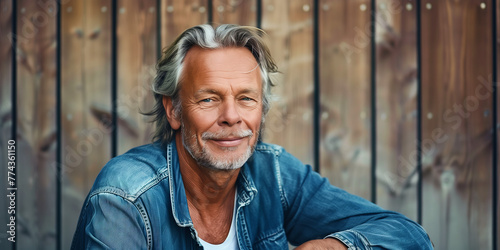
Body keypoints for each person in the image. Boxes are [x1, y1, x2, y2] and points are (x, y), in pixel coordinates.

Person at [71, 24, 433, 250]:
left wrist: (338, 246)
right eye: (209, 99)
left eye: (246, 98)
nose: (232, 117)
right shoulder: (125, 197)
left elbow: (410, 237)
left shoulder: (272, 171)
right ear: (174, 111)